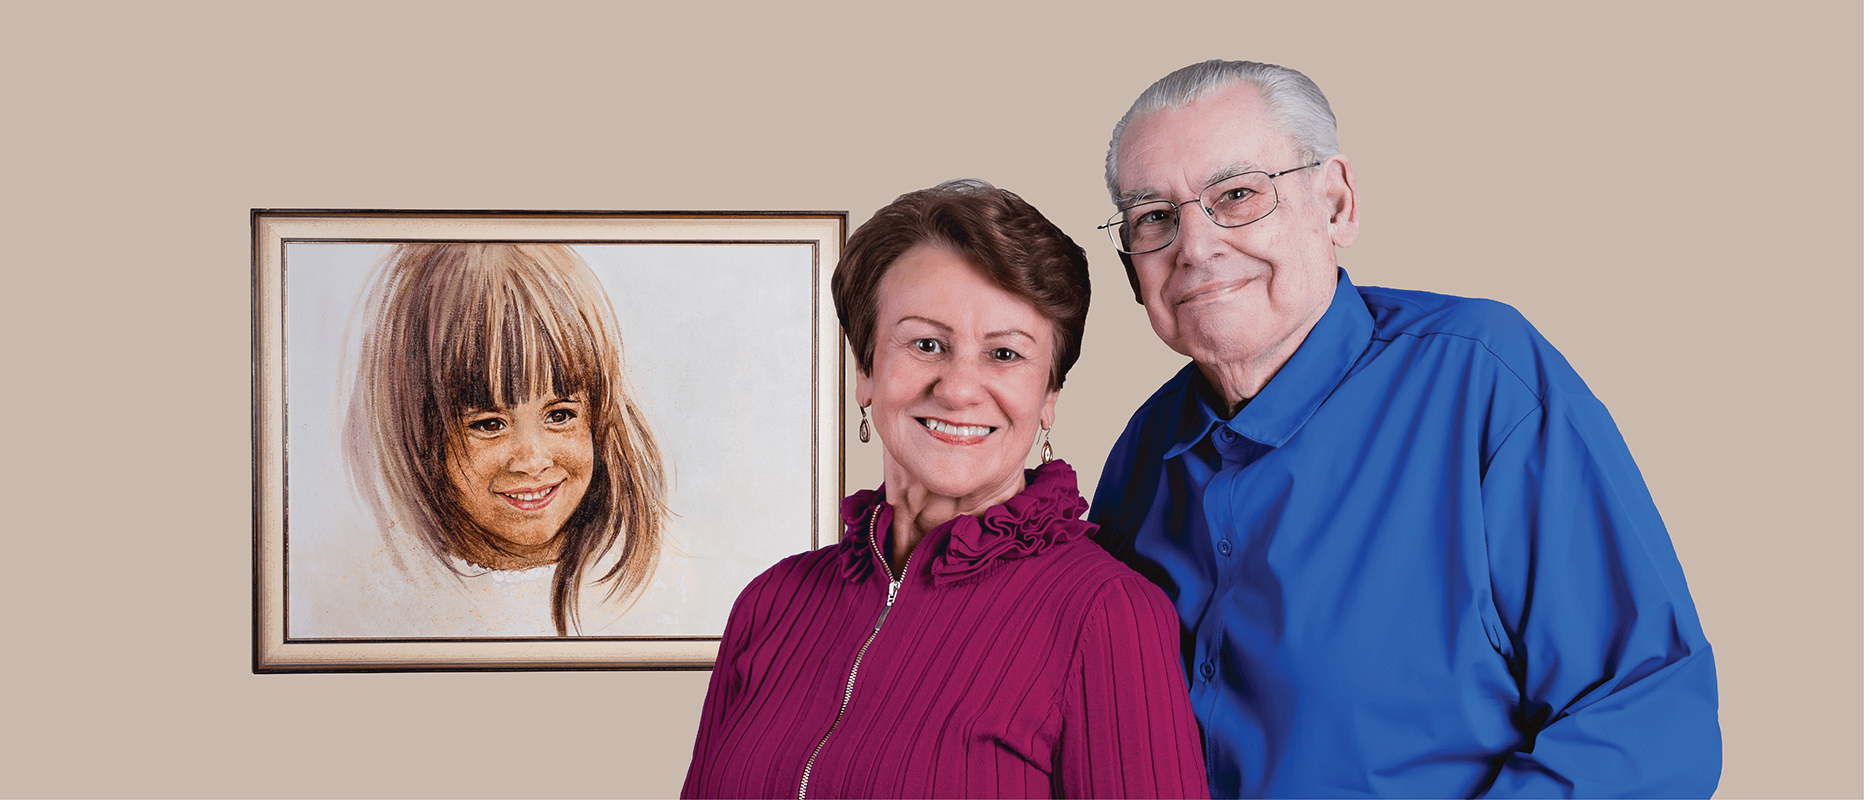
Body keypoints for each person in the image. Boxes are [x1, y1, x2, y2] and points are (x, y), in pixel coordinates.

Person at [1089, 60, 1720, 797]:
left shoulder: (1482, 379)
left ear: (1336, 204)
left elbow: (1647, 717)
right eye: (1155, 218)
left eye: (1236, 196)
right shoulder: (1141, 453)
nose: (1193, 246)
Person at [683, 180, 1207, 798]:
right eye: (926, 344)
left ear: (1048, 397)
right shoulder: (771, 604)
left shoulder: (1107, 612)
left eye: (1006, 354)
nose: (959, 388)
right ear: (866, 371)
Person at [341, 242, 671, 636]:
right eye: (489, 424)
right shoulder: (367, 598)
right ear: (418, 439)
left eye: (560, 415)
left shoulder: (666, 587)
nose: (532, 461)